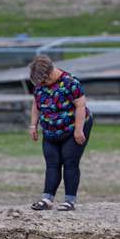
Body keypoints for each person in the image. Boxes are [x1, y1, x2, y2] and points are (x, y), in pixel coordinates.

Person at [28, 55, 94, 211]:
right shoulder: (40, 86)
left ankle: (69, 201)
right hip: (50, 130)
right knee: (52, 163)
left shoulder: (71, 83)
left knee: (70, 162)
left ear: (50, 73)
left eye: (44, 82)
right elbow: (36, 104)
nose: (42, 85)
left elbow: (80, 106)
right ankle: (47, 198)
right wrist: (33, 125)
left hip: (73, 127)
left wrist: (78, 129)